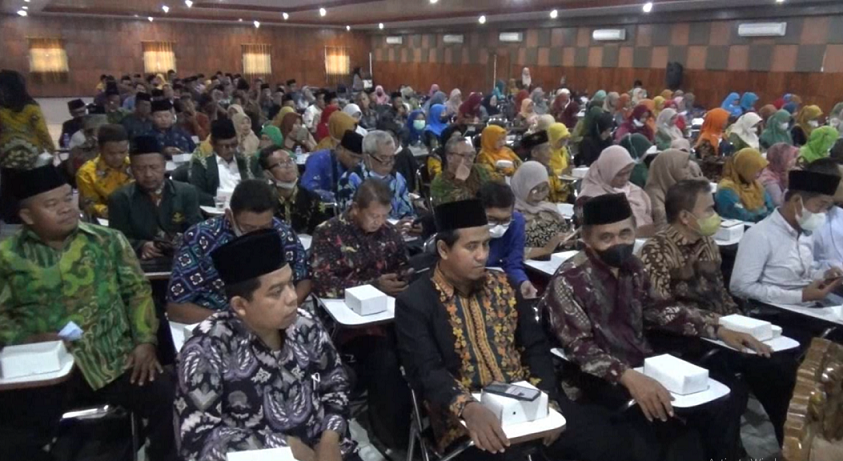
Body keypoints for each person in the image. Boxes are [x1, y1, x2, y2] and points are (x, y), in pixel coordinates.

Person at [397, 199, 640, 461]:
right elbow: (426, 371)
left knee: (607, 442)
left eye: (486, 244)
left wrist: (547, 399)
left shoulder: (504, 285)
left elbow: (535, 347)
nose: (482, 255)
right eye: (471, 247)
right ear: (444, 249)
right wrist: (468, 408)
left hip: (529, 402)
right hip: (463, 416)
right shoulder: (416, 302)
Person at [541, 192, 760, 461]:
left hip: (643, 363)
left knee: (726, 399)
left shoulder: (633, 267)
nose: (618, 243)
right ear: (587, 239)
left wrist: (717, 328)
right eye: (606, 237)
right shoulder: (569, 279)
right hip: (596, 380)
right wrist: (628, 377)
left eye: (625, 233)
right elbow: (580, 349)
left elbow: (661, 310)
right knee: (674, 440)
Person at [0, 165, 177, 461]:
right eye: (51, 204)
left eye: (67, 198)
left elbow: (137, 292)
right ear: (27, 216)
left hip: (114, 361)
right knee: (12, 437)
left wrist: (145, 342)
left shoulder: (107, 241)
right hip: (42, 370)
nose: (65, 208)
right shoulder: (8, 257)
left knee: (168, 396)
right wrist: (24, 338)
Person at [175, 230, 356, 461]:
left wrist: (330, 438)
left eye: (290, 283)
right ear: (240, 305)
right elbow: (196, 440)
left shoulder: (305, 325)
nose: (292, 297)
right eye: (276, 292)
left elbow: (336, 383)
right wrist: (284, 446)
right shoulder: (206, 349)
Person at [641, 179, 799, 444]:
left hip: (721, 331)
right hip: (684, 337)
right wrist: (715, 326)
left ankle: (791, 445)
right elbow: (660, 311)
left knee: (777, 367)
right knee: (730, 394)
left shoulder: (707, 243)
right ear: (685, 217)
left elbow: (720, 294)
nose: (715, 216)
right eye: (708, 210)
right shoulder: (656, 251)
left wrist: (741, 323)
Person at [166, 179, 310, 323]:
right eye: (248, 228)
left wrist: (287, 307)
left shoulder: (281, 232)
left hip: (275, 317)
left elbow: (304, 279)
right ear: (230, 215)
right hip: (217, 320)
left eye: (265, 227)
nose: (257, 235)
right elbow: (177, 308)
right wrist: (239, 321)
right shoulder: (199, 238)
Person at [731, 166, 843, 305]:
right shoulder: (760, 235)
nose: (823, 213)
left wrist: (825, 275)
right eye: (820, 205)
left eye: (826, 208)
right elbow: (740, 287)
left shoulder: (805, 232)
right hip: (777, 310)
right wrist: (800, 296)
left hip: (808, 304)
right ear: (796, 201)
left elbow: (803, 274)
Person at [108, 135, 202, 259]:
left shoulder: (186, 192)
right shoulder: (120, 198)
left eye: (154, 167)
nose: (148, 174)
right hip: (139, 260)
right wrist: (141, 246)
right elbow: (115, 239)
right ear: (131, 170)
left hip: (181, 257)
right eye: (140, 168)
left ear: (164, 166)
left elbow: (197, 231)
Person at [335, 130, 415, 220]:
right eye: (384, 158)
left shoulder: (398, 178)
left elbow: (408, 212)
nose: (390, 162)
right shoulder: (350, 180)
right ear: (367, 158)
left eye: (392, 157)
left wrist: (407, 223)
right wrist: (391, 226)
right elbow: (351, 218)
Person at [479, 181, 537, 299]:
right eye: (492, 219)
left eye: (505, 220)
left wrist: (522, 282)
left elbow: (514, 264)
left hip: (497, 283)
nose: (499, 226)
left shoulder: (516, 222)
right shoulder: (467, 225)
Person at [579, 146, 654, 235]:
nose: (625, 178)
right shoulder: (590, 197)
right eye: (620, 175)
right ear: (607, 171)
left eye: (628, 172)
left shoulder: (635, 190)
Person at [256, 146, 329, 235]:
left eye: (290, 160)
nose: (288, 165)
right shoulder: (262, 202)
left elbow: (323, 230)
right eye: (281, 163)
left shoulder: (312, 199)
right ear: (268, 173)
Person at [511, 161, 573, 259]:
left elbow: (563, 233)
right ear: (522, 185)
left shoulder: (549, 209)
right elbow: (510, 251)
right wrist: (545, 250)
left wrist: (566, 238)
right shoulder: (509, 215)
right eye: (534, 190)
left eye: (544, 189)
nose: (539, 194)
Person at [188, 119, 253, 205]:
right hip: (217, 207)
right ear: (213, 144)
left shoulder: (247, 161)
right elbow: (197, 193)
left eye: (233, 144)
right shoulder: (202, 164)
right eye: (225, 146)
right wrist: (219, 201)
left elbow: (260, 187)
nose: (231, 150)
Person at [75, 124, 133, 219]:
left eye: (122, 152)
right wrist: (116, 212)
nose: (118, 157)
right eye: (111, 153)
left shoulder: (134, 166)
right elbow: (89, 204)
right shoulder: (87, 173)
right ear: (100, 149)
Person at [431, 136, 495, 206]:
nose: (469, 159)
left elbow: (493, 193)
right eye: (464, 155)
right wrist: (459, 181)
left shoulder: (480, 170)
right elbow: (452, 207)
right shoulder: (439, 182)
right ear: (449, 158)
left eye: (471, 155)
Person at [302, 130, 364, 202]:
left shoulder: (360, 166)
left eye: (359, 159)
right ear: (340, 149)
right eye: (352, 156)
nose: (356, 161)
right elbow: (308, 189)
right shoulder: (319, 159)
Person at [714, 148, 774, 222]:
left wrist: (762, 214)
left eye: (761, 171)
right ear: (745, 169)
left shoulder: (756, 185)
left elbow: (770, 207)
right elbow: (741, 215)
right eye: (756, 171)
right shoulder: (726, 189)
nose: (759, 175)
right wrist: (762, 213)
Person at [644, 149, 693, 228]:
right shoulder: (655, 195)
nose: (688, 171)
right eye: (684, 167)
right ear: (669, 169)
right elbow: (662, 226)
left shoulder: (681, 187)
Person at [521, 130, 570, 203]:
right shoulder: (527, 173)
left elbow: (560, 189)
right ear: (534, 153)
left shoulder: (548, 169)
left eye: (550, 148)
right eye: (546, 149)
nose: (551, 152)